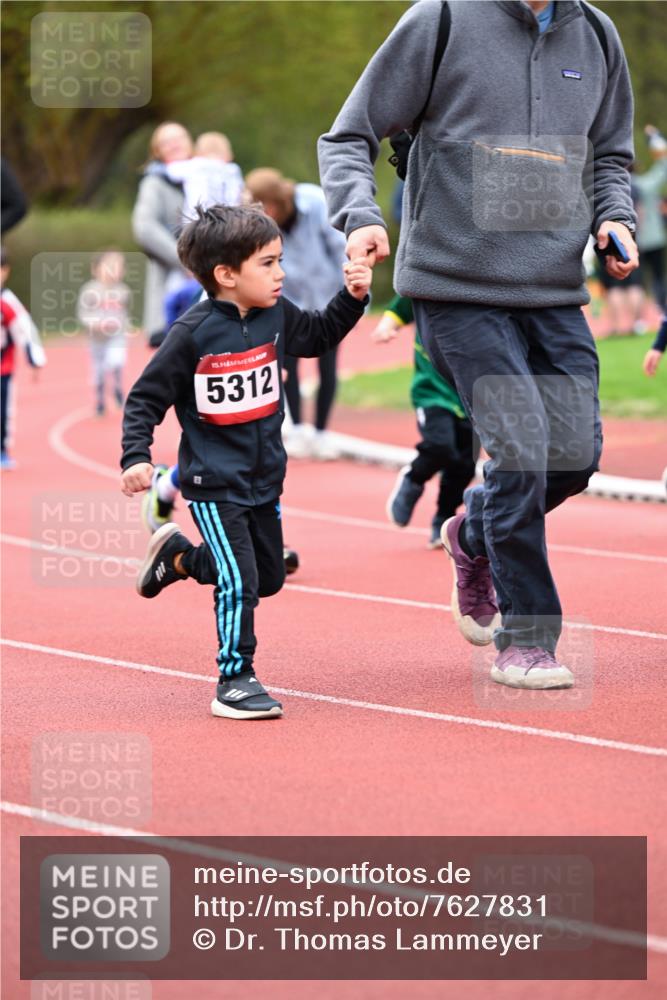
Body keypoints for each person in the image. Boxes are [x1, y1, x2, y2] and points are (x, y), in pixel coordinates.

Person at [318, 0, 638, 689]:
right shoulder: (438, 20)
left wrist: (615, 218)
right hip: (455, 285)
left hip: (553, 289)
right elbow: (348, 136)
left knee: (574, 458)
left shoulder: (598, 34)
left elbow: (610, 156)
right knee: (520, 451)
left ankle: (474, 529)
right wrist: (360, 216)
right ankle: (525, 640)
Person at [120, 205, 371, 720]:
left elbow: (320, 335)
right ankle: (234, 677)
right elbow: (145, 398)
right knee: (239, 582)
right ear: (226, 274)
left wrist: (353, 297)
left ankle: (181, 558)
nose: (281, 274)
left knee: (268, 577)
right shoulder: (191, 334)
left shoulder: (276, 316)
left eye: (280, 262)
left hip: (265, 476)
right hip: (214, 482)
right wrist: (136, 456)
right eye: (269, 264)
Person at [244, 168, 348, 460]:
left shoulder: (314, 202)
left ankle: (322, 432)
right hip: (288, 301)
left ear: (275, 202)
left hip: (327, 300)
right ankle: (299, 429)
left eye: (265, 206)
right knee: (287, 362)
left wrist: (350, 297)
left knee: (328, 365)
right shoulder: (261, 223)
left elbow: (339, 248)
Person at [373, 294, 478, 548]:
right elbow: (402, 305)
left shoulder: (481, 287)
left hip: (472, 395)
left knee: (464, 464)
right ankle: (414, 477)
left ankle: (444, 518)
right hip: (432, 392)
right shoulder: (428, 282)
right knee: (441, 446)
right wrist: (387, 325)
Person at [132, 122, 191, 344]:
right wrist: (185, 261)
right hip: (171, 283)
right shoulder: (154, 183)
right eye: (167, 142)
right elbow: (145, 227)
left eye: (179, 137)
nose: (175, 144)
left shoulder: (204, 176)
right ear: (157, 151)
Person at [1, 248, 46, 468]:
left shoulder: (8, 302)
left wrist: (34, 360)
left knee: (3, 411)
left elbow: (25, 331)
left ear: (5, 271)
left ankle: (2, 449)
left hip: (3, 369)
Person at [77, 251, 130, 416]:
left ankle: (117, 390)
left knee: (116, 362)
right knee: (98, 371)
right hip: (97, 339)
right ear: (96, 269)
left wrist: (123, 325)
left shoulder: (123, 291)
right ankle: (100, 401)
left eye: (117, 266)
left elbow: (124, 313)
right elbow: (83, 314)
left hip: (116, 336)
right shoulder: (89, 290)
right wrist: (96, 323)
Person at [165, 131, 244, 222]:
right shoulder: (232, 170)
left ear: (198, 151)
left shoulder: (195, 165)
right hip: (229, 220)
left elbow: (172, 172)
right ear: (228, 153)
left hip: (197, 219)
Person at [634, 125, 667, 312]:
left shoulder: (620, 187)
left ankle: (639, 318)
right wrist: (655, 139)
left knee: (637, 281)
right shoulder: (645, 185)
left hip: (635, 239)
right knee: (658, 276)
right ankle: (662, 311)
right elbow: (663, 168)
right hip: (654, 237)